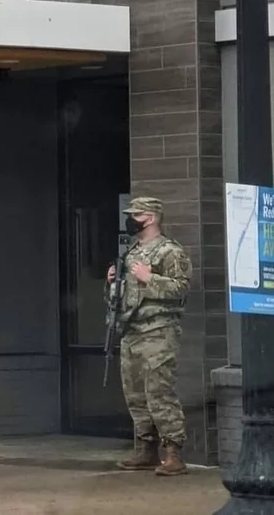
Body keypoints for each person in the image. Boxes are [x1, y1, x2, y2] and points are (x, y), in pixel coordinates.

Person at [106, 197, 192, 476]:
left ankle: (173, 453)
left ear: (152, 218)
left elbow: (180, 289)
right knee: (135, 394)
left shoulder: (169, 251)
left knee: (159, 392)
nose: (131, 220)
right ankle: (145, 449)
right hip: (131, 331)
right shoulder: (131, 253)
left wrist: (148, 278)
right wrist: (112, 283)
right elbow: (123, 296)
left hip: (158, 331)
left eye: (137, 215)